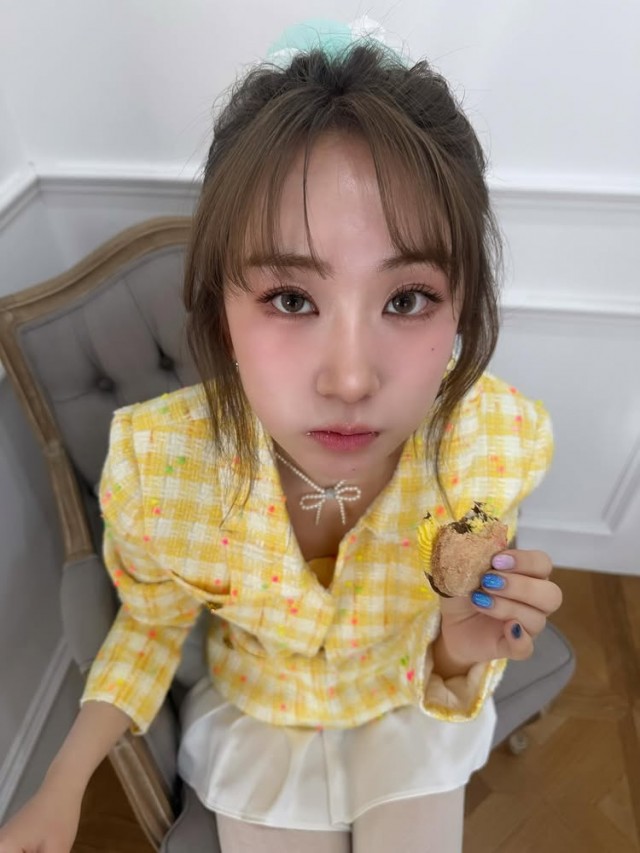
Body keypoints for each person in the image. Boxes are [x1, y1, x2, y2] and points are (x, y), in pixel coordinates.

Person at [0, 19, 563, 853]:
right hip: (258, 718)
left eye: (407, 299)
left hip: (404, 699)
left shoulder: (490, 443)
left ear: (460, 310)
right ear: (219, 310)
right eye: (292, 299)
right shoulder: (163, 472)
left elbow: (463, 630)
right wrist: (63, 779)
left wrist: (457, 650)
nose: (351, 378)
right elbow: (149, 627)